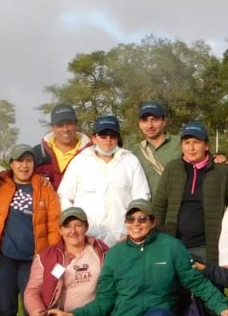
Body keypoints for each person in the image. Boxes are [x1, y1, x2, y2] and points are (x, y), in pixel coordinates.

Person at [51, 200, 228, 316]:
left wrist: (221, 305)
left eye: (142, 219)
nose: (136, 223)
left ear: (153, 222)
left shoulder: (172, 247)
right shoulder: (115, 254)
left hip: (156, 315)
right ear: (126, 222)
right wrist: (72, 314)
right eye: (131, 219)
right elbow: (103, 300)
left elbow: (195, 280)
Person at [0, 144, 61, 316]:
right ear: (11, 164)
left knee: (33, 309)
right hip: (5, 258)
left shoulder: (44, 188)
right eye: (19, 161)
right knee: (6, 309)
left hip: (33, 260)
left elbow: (53, 225)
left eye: (28, 160)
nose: (24, 165)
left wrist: (49, 259)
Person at [24, 207, 110, 316]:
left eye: (78, 225)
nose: (73, 231)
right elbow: (32, 290)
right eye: (67, 226)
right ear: (60, 230)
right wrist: (36, 309)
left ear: (86, 227)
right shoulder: (47, 256)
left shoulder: (100, 250)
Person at [153, 122, 228, 265]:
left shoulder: (222, 171)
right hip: (174, 245)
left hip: (206, 248)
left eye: (196, 142)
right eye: (187, 142)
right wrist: (160, 239)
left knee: (205, 286)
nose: (191, 148)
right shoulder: (172, 169)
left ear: (206, 146)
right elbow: (159, 207)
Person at [58, 115, 150, 245]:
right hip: (88, 238)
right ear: (94, 138)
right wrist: (75, 229)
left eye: (112, 135)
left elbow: (142, 199)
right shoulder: (80, 161)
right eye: (103, 135)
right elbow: (65, 196)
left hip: (123, 237)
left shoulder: (130, 161)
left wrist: (134, 230)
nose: (108, 140)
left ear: (118, 138)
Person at [133, 101, 182, 202]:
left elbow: (202, 162)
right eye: (145, 121)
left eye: (154, 120)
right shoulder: (133, 152)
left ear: (164, 121)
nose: (150, 125)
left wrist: (217, 159)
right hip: (148, 213)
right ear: (140, 124)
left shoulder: (181, 143)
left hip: (177, 208)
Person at [36, 104, 91, 190]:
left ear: (76, 124)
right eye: (60, 125)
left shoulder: (92, 153)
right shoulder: (37, 154)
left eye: (69, 124)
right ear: (52, 127)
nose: (65, 129)